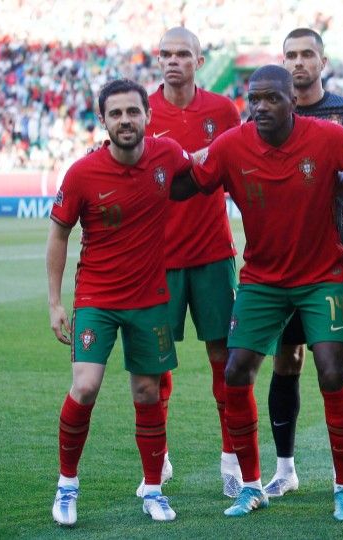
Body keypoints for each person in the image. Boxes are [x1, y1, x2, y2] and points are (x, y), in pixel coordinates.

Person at [170, 65, 343, 520]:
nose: (260, 107)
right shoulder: (231, 145)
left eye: (271, 98)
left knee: (330, 370)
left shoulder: (329, 137)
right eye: (254, 99)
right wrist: (141, 163)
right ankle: (250, 485)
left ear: (293, 101)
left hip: (323, 275)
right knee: (236, 371)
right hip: (262, 280)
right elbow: (186, 183)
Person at [48, 79, 193, 525]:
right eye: (116, 114)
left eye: (133, 112)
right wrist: (55, 303)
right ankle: (66, 486)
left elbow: (205, 168)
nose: (125, 120)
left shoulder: (168, 156)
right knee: (86, 385)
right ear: (104, 121)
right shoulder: (81, 173)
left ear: (148, 116)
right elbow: (58, 235)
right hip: (97, 297)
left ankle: (153, 489)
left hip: (149, 299)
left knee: (148, 391)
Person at [264, 27, 343, 499]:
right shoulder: (266, 113)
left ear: (323, 60)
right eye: (290, 55)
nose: (298, 63)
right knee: (286, 357)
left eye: (306, 55)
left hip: (335, 258)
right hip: (279, 263)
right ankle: (285, 468)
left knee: (337, 360)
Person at [146, 26, 242, 499]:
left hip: (212, 257)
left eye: (182, 54)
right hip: (157, 261)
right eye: (165, 54)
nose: (172, 61)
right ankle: (158, 458)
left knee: (224, 364)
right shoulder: (141, 111)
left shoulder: (223, 111)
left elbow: (242, 169)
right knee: (156, 367)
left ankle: (231, 459)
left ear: (199, 61)